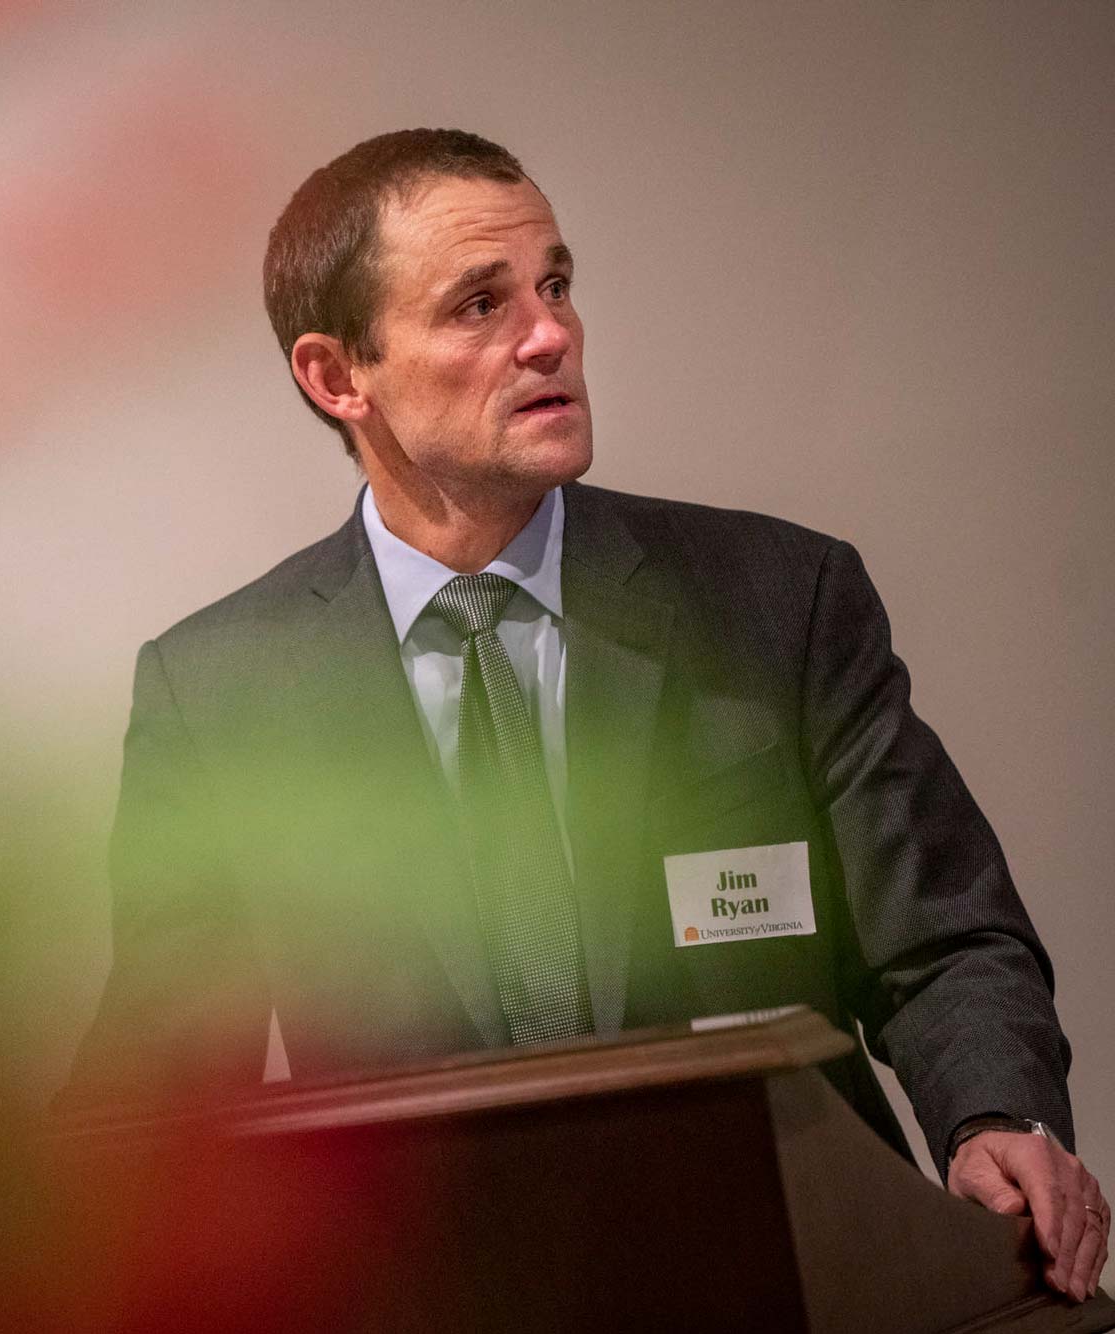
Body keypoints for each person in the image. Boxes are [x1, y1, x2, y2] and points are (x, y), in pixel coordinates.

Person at [60, 128, 1108, 1300]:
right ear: (335, 374)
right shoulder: (220, 695)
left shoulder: (778, 600)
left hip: (785, 1273)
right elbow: (167, 1083)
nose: (549, 331)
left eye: (553, 284)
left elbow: (944, 941)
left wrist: (991, 1116)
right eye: (477, 304)